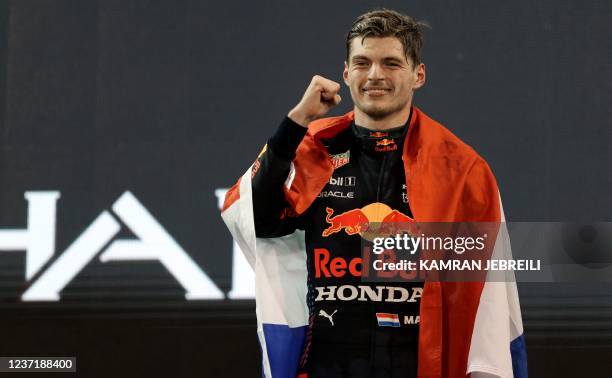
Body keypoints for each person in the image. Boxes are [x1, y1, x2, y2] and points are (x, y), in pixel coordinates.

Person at [221, 9, 527, 378]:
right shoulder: (310, 147)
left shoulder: (460, 168)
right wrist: (295, 123)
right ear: (347, 72)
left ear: (419, 75)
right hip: (325, 367)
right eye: (363, 62)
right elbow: (258, 220)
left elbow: (488, 299)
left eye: (391, 63)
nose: (375, 75)